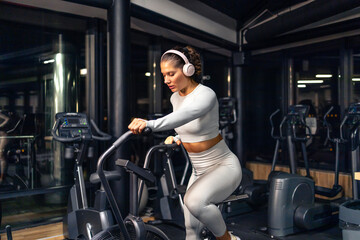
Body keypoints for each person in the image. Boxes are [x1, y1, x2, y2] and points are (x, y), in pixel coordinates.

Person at [128, 46, 242, 240]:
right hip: (197, 171)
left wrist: (149, 124)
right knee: (191, 230)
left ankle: (229, 239)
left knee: (194, 202)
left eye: (171, 74)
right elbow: (187, 123)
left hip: (223, 166)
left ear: (188, 70)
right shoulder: (175, 98)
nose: (166, 80)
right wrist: (177, 136)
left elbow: (187, 114)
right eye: (164, 75)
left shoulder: (206, 94)